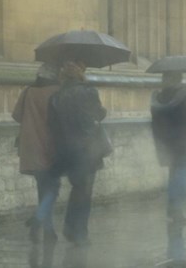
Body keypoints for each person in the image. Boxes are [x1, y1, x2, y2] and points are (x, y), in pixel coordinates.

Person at [48, 60, 111, 246]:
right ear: (80, 74)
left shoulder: (56, 97)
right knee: (84, 192)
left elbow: (53, 125)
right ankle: (79, 233)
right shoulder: (88, 92)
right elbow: (95, 116)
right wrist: (102, 112)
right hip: (87, 149)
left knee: (77, 189)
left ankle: (71, 227)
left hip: (66, 150)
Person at [12, 63, 61, 243]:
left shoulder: (28, 91)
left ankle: (48, 231)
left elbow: (17, 116)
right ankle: (39, 221)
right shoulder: (57, 91)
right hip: (50, 146)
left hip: (31, 146)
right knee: (53, 189)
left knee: (43, 189)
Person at [150, 71, 186, 224]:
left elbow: (155, 123)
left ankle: (171, 208)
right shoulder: (184, 96)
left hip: (167, 144)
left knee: (173, 176)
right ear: (178, 79)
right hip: (183, 143)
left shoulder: (157, 97)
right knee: (180, 177)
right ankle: (176, 210)